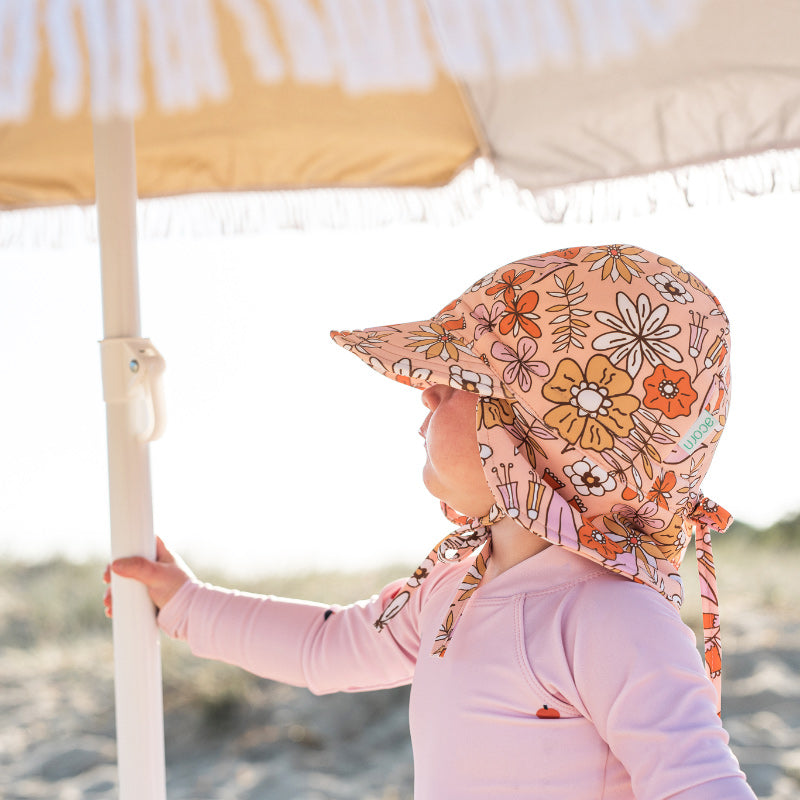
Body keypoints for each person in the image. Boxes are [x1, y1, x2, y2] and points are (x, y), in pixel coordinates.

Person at [104, 245, 757, 799]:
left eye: (455, 377)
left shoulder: (612, 618)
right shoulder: (452, 589)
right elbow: (329, 649)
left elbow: (700, 785)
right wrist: (188, 604)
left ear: (532, 432)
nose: (425, 390)